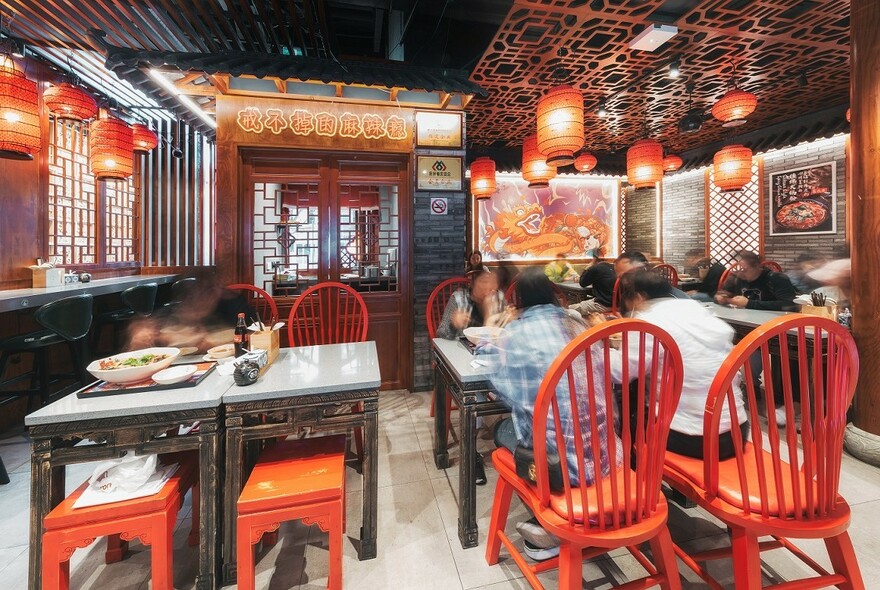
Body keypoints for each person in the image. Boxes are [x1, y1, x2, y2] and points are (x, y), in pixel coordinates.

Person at [491, 269, 621, 560]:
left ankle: (552, 525)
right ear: (552, 293)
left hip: (561, 466)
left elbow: (506, 391)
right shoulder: (576, 321)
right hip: (608, 455)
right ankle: (580, 520)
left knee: (503, 430)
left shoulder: (518, 331)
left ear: (518, 300)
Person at [610, 271, 749, 459]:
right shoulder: (696, 309)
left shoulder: (648, 322)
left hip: (692, 438)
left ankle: (644, 479)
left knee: (628, 415)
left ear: (638, 298)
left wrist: (598, 348)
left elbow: (620, 373)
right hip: (736, 431)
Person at [715, 250, 797, 311]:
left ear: (757, 266)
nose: (740, 273)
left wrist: (749, 303)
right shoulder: (736, 277)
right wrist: (720, 298)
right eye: (737, 269)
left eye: (744, 270)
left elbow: (789, 304)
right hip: (743, 321)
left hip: (771, 324)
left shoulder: (776, 278)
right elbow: (719, 296)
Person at [436, 270, 506, 340]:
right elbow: (441, 334)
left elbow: (504, 333)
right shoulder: (459, 299)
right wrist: (454, 324)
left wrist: (508, 320)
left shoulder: (499, 298)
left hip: (492, 347)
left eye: (492, 286)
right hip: (460, 347)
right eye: (484, 282)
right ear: (473, 284)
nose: (487, 290)